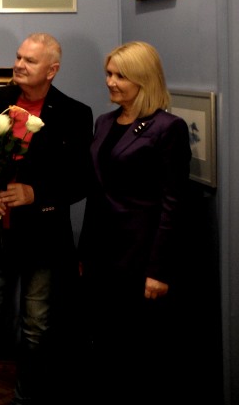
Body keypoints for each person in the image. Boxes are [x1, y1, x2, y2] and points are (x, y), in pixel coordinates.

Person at [0, 33, 92, 405]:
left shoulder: (75, 113)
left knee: (36, 326)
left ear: (52, 70)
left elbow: (81, 178)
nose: (19, 64)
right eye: (18, 57)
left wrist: (35, 193)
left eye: (30, 60)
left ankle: (25, 398)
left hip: (44, 239)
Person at [78, 41, 191, 404]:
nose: (110, 82)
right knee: (102, 342)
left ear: (144, 79)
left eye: (120, 76)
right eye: (109, 73)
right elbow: (96, 193)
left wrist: (159, 270)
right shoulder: (104, 122)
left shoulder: (168, 128)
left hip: (140, 257)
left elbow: (173, 204)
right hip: (101, 255)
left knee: (138, 350)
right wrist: (84, 253)